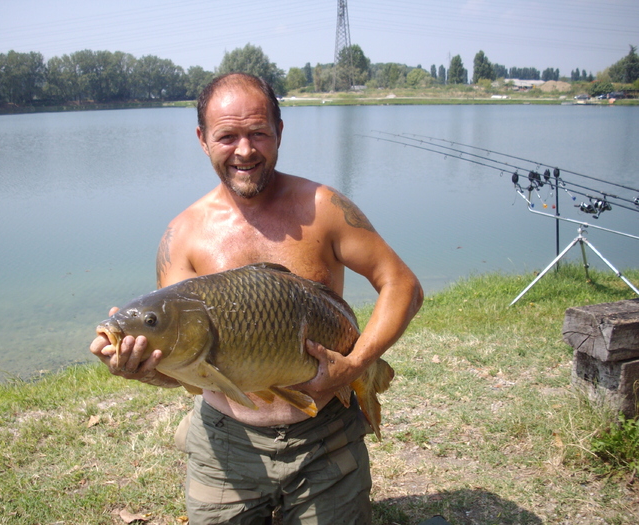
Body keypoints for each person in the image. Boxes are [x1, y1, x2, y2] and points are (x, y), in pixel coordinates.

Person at [90, 72, 423, 524]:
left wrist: (357, 363)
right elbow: (185, 374)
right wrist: (141, 370)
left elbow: (402, 284)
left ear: (280, 132)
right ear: (203, 139)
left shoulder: (323, 209)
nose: (245, 151)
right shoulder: (183, 236)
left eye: (258, 133)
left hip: (325, 434)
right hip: (227, 441)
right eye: (227, 136)